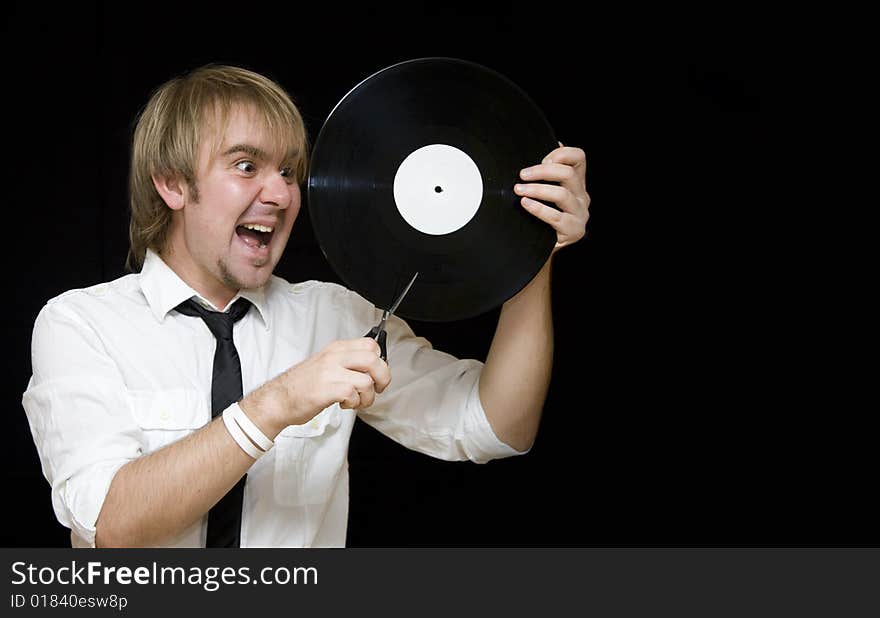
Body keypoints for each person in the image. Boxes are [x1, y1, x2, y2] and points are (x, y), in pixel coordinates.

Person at [21, 64, 590, 548]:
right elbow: (109, 523)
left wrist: (532, 250)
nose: (281, 194)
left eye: (289, 171)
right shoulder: (80, 324)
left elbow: (496, 426)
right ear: (172, 183)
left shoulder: (336, 317)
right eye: (247, 166)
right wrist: (279, 402)